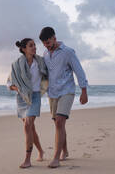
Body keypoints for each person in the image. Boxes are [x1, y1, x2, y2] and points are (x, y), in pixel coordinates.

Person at [39, 27, 89, 168]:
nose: (47, 46)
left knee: (60, 122)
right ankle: (65, 151)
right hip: (52, 93)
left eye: (48, 42)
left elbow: (79, 71)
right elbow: (45, 74)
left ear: (54, 38)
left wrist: (84, 91)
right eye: (44, 44)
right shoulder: (45, 54)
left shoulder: (68, 52)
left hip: (67, 91)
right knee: (58, 124)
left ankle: (56, 157)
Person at [7, 38, 48, 168]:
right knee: (31, 128)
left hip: (35, 96)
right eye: (31, 46)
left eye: (35, 45)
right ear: (24, 49)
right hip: (22, 98)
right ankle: (41, 151)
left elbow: (49, 74)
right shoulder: (16, 64)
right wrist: (18, 88)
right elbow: (9, 83)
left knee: (28, 125)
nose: (34, 47)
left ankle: (27, 159)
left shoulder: (40, 61)